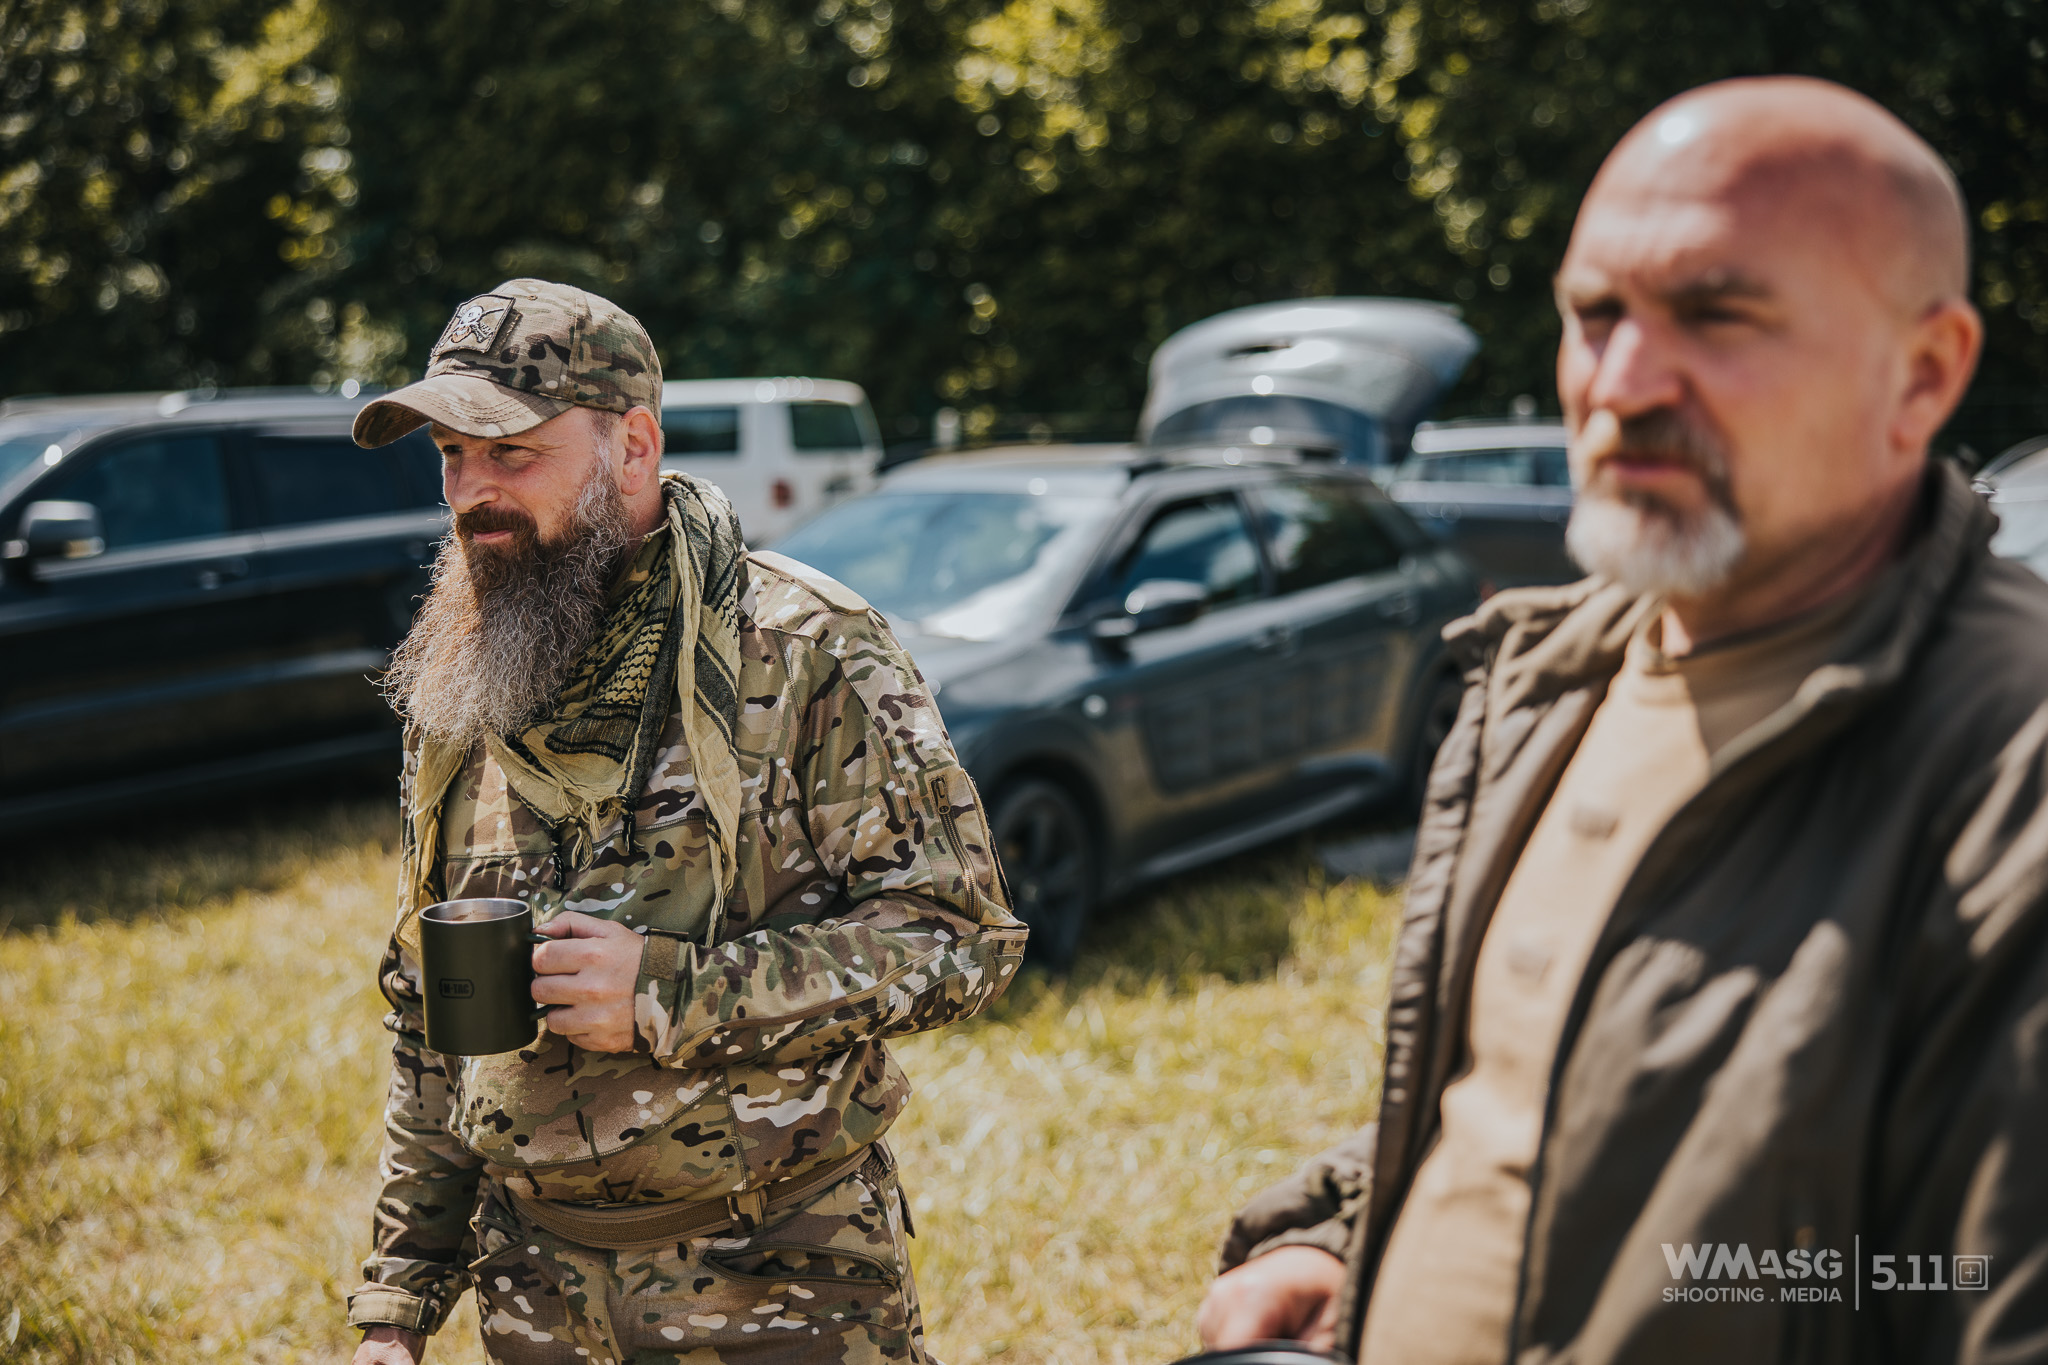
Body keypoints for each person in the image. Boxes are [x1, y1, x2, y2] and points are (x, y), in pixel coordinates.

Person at [1198, 76, 2048, 1363]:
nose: (1624, 383)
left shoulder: (2010, 775)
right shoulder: (1550, 675)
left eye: (1715, 314)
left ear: (1922, 374)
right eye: (1595, 314)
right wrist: (1347, 1233)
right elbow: (1562, 1085)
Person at [343, 278, 1027, 1365]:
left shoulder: (806, 652)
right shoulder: (461, 679)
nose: (471, 491)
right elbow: (430, 1016)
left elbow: (958, 941)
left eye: (509, 451)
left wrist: (672, 996)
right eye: (448, 457)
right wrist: (398, 1299)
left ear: (633, 446)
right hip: (533, 1298)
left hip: (776, 1283)